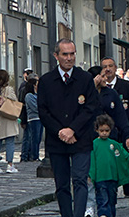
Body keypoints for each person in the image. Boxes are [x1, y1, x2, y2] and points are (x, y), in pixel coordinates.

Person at [38, 38, 100, 217]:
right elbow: (43, 111)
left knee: (80, 180)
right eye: (65, 54)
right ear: (56, 55)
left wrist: (73, 129)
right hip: (57, 141)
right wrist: (61, 131)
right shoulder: (47, 81)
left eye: (72, 54)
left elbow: (90, 107)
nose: (69, 58)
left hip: (80, 139)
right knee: (62, 184)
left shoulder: (85, 78)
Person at [101, 56, 129, 208]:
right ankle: (109, 195)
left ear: (115, 68)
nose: (108, 69)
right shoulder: (99, 88)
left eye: (111, 66)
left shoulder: (126, 86)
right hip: (105, 134)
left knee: (126, 163)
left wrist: (128, 126)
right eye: (105, 66)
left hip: (123, 132)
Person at [89, 114, 129, 217]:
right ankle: (103, 214)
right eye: (102, 131)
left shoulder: (114, 144)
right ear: (97, 130)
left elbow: (124, 154)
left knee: (112, 201)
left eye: (107, 130)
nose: (104, 133)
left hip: (112, 178)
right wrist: (91, 175)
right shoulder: (94, 144)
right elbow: (92, 161)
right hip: (100, 178)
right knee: (102, 200)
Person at [0, 69, 20, 174]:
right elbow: (14, 101)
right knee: (10, 142)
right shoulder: (8, 89)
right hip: (9, 117)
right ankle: (10, 165)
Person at [24, 76, 43, 161]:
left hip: (40, 118)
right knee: (34, 138)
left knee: (38, 138)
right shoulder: (29, 96)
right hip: (34, 119)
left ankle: (36, 155)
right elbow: (35, 107)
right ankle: (33, 156)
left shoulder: (38, 95)